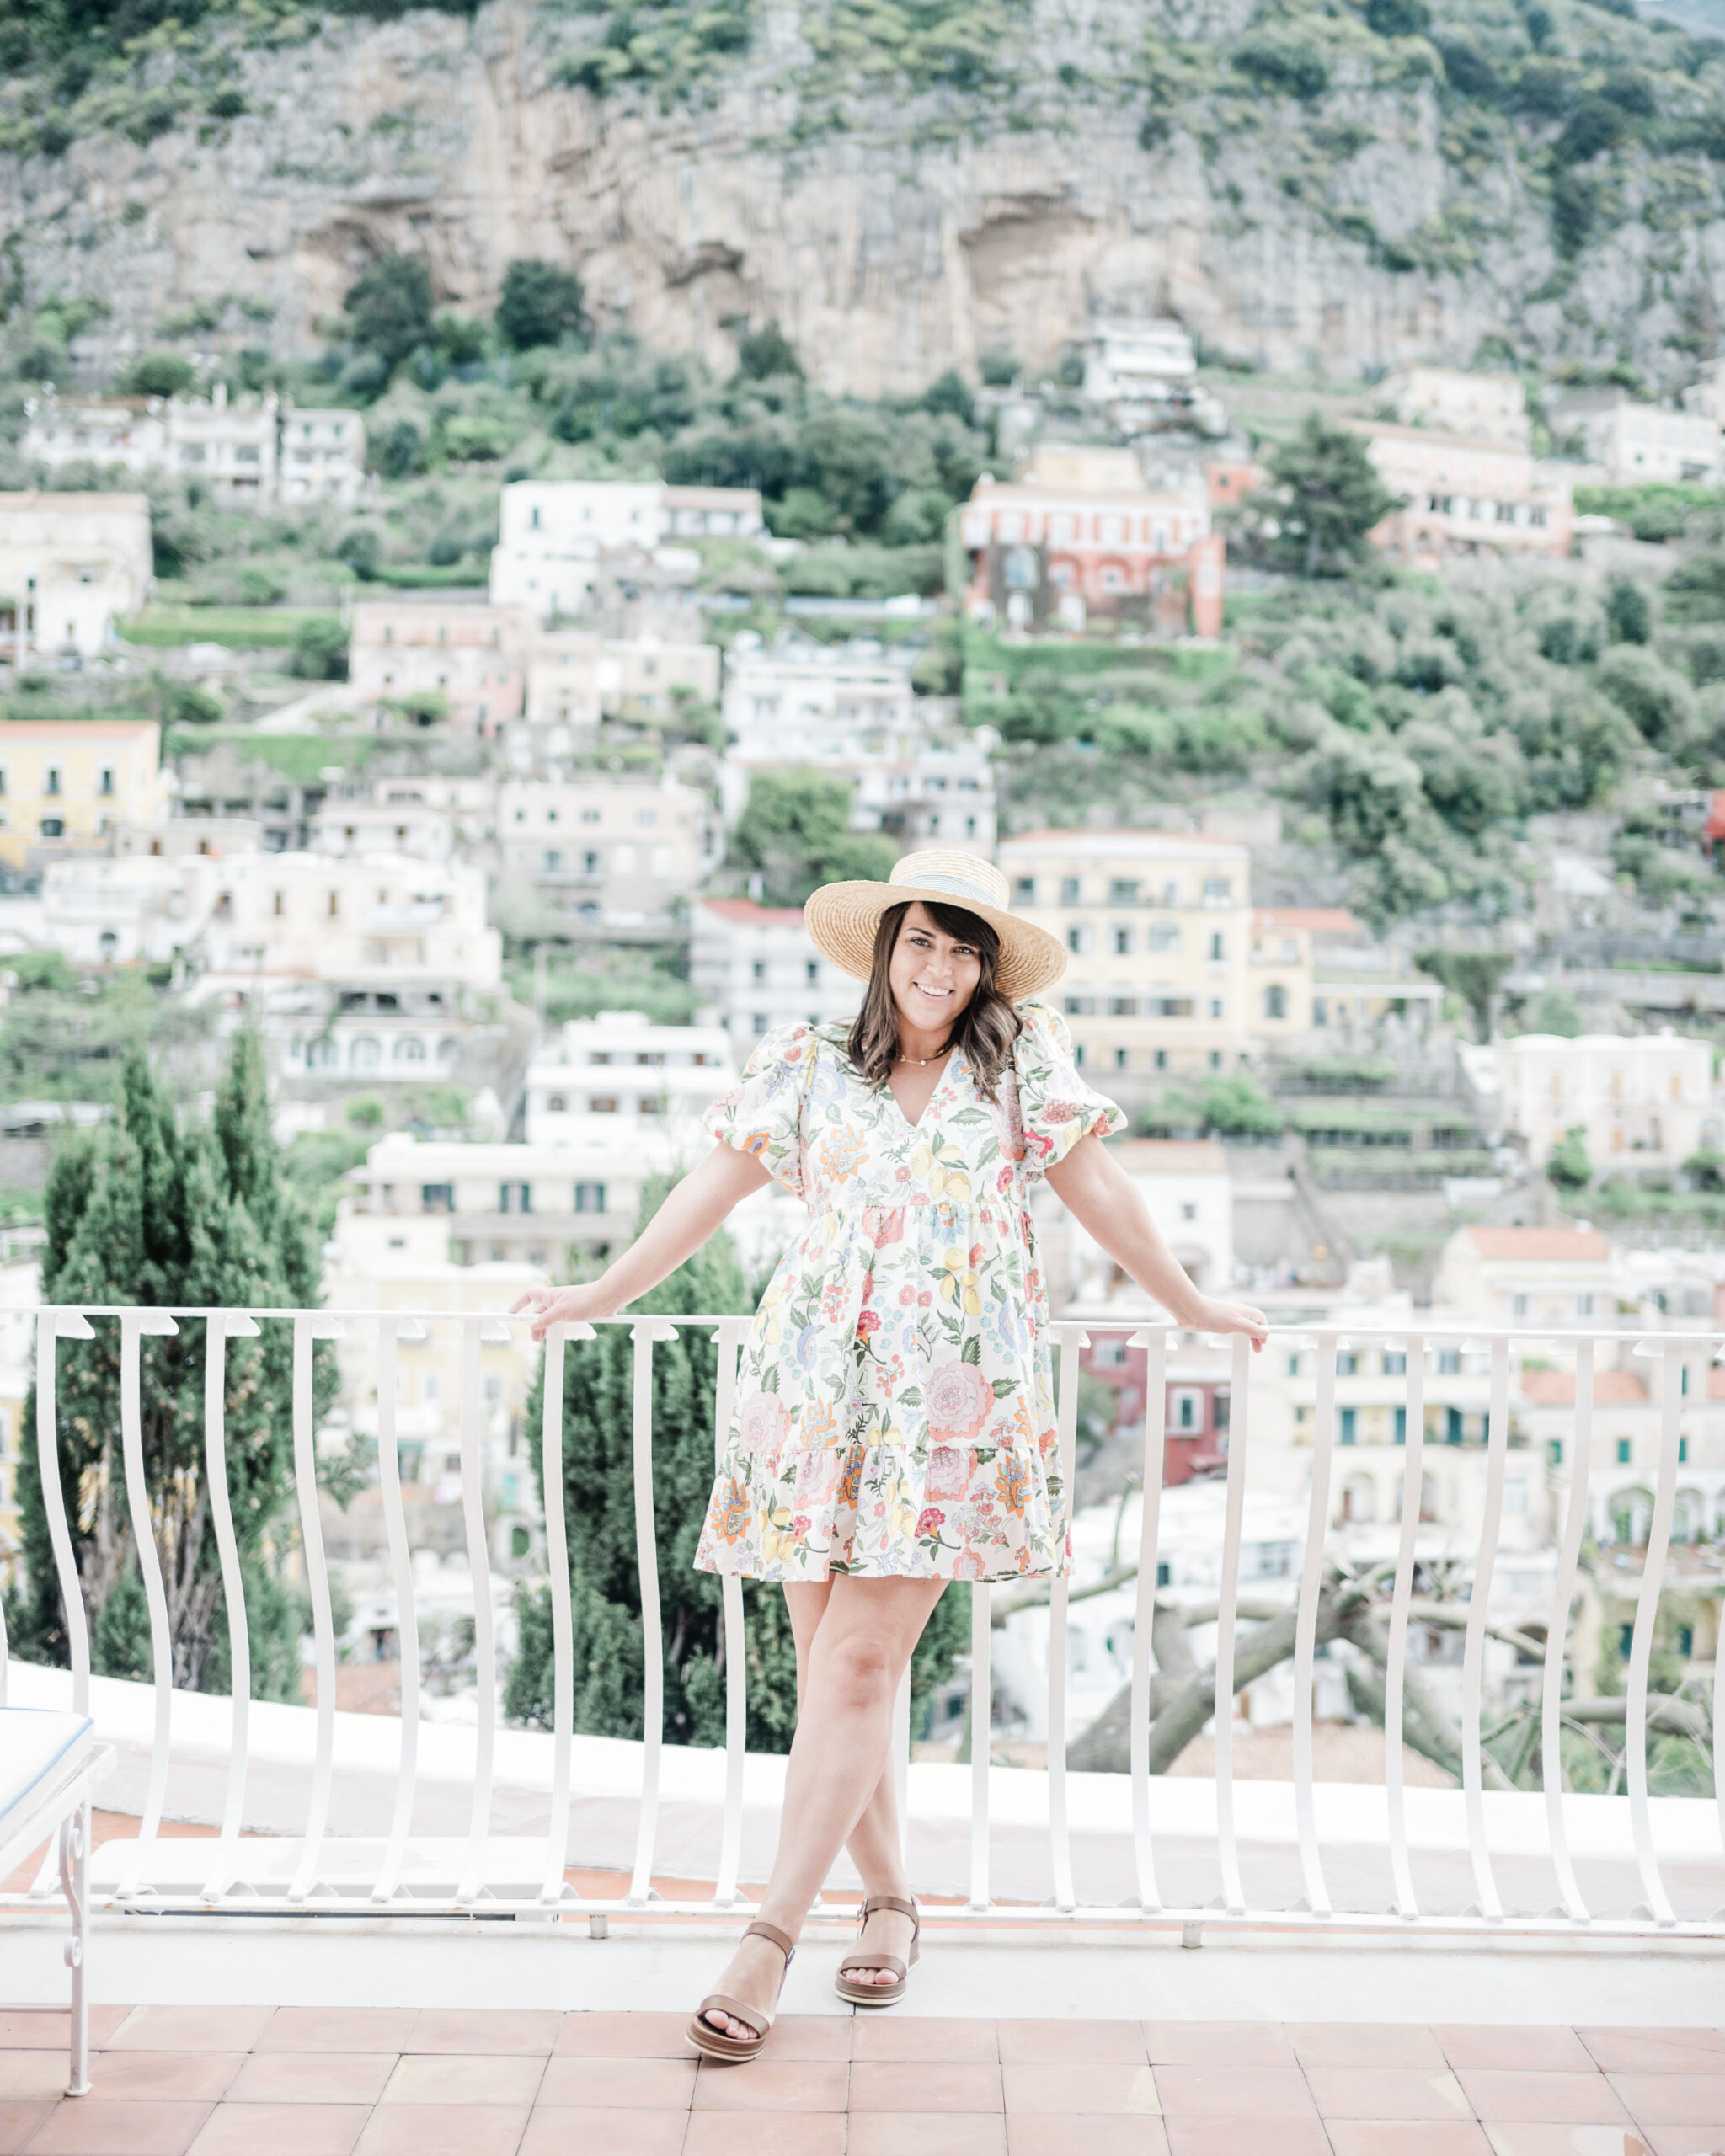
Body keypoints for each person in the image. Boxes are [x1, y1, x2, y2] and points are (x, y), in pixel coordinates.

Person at [515, 851, 1268, 2061]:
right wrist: (599, 1294)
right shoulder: (809, 1063)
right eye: (923, 942)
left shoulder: (1017, 1063)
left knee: (861, 1666)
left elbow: (1105, 1190)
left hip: (954, 1404)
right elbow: (704, 1191)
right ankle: (893, 1902)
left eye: (965, 951)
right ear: (885, 946)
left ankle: (767, 1936)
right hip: (813, 1389)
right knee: (834, 1678)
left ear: (986, 969)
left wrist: (1189, 1303)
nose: (941, 968)